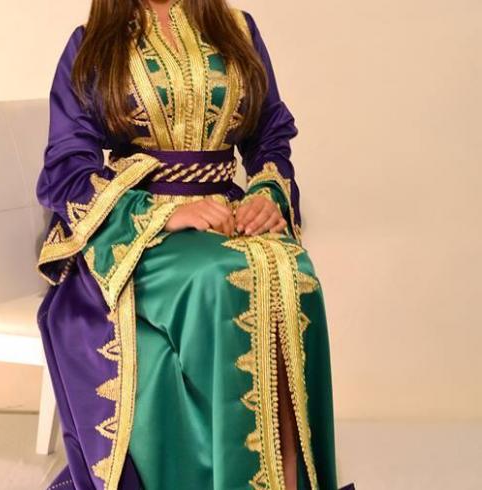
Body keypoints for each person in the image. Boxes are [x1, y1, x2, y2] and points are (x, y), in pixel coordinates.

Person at [35, 0, 356, 489]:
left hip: (226, 216)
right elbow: (66, 168)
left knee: (293, 268)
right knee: (224, 277)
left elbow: (270, 134)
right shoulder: (92, 43)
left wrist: (267, 193)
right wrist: (164, 214)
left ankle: (289, 480)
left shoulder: (238, 30)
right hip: (138, 235)